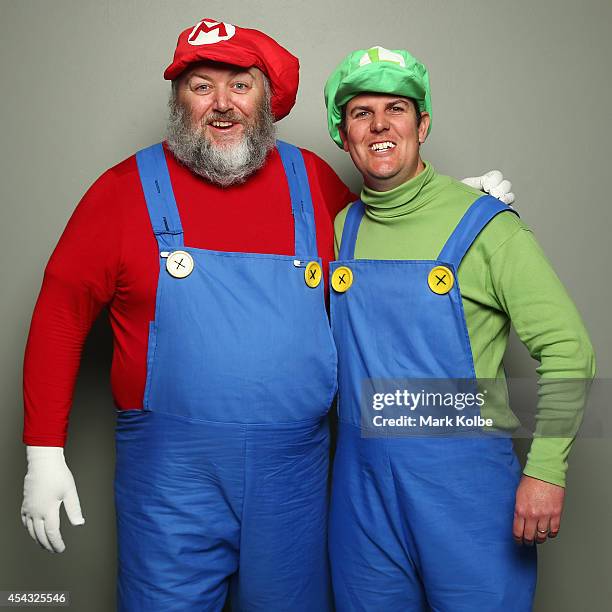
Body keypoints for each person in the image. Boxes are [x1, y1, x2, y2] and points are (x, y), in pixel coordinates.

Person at [19, 18, 511, 611]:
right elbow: (60, 314)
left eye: (241, 86)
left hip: (295, 479)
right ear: (178, 99)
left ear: (268, 100)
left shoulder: (313, 182)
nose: (223, 105)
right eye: (202, 86)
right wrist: (43, 453)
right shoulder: (122, 191)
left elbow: (380, 248)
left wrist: (454, 205)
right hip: (170, 481)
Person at [324, 46, 595, 611]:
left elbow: (570, 350)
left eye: (396, 108)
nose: (379, 126)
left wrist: (546, 471)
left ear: (422, 124)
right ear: (342, 133)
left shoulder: (487, 226)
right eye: (360, 112)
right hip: (361, 490)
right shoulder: (341, 229)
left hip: (466, 490)